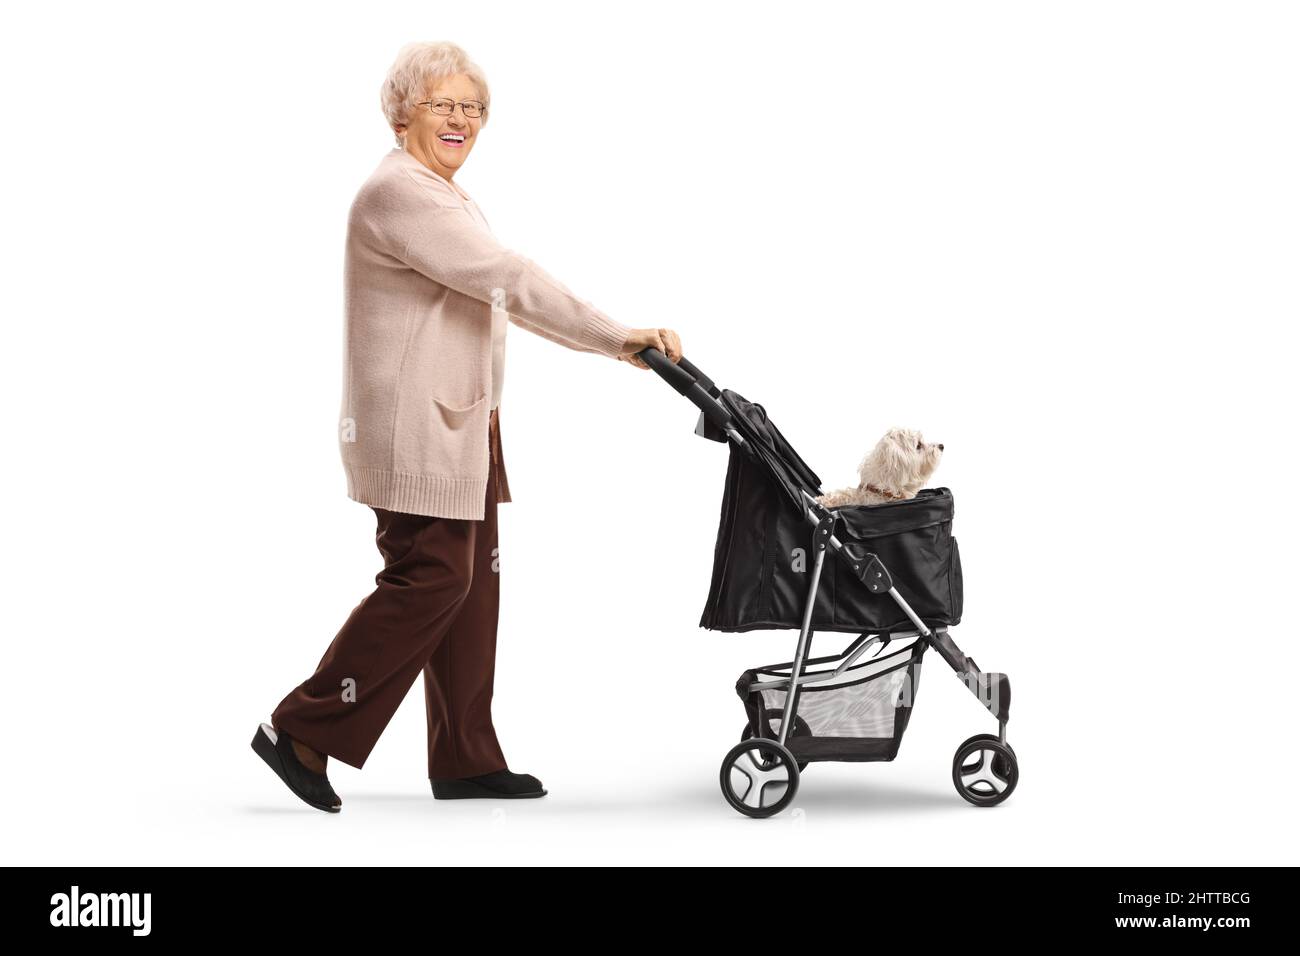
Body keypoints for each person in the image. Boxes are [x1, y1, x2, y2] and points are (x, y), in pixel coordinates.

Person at [251, 40, 683, 811]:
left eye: (474, 108)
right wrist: (619, 338)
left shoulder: (440, 192)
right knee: (433, 577)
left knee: (469, 589)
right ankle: (305, 727)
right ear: (402, 112)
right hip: (416, 429)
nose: (462, 120)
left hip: (463, 424)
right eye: (444, 104)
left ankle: (463, 756)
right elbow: (507, 279)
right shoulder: (400, 192)